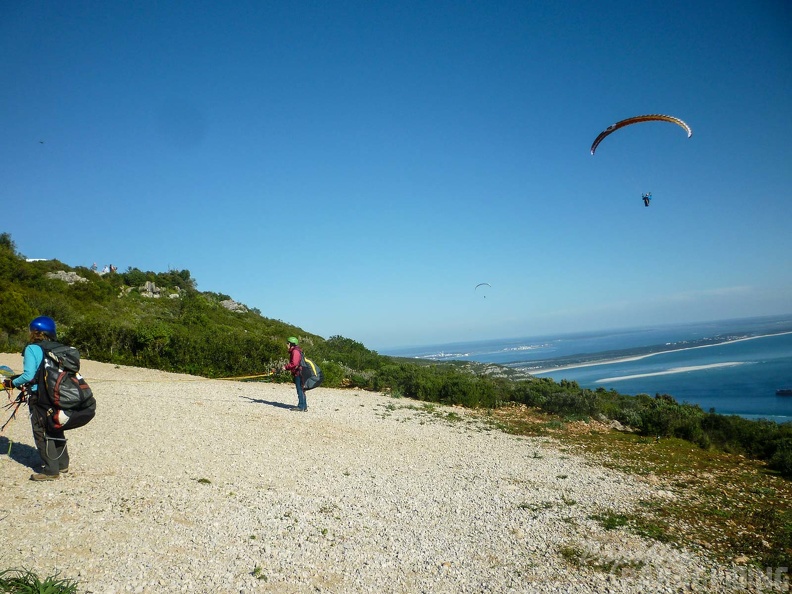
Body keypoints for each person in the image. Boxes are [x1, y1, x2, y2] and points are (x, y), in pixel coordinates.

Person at [4, 316, 70, 480]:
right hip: (59, 394)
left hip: (40, 396)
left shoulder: (32, 349)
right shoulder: (58, 347)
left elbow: (28, 376)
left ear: (35, 332)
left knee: (41, 430)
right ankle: (62, 464)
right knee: (56, 426)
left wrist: (12, 383)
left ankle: (50, 470)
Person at [283, 337, 307, 412]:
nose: (287, 345)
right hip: (301, 372)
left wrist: (286, 367)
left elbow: (294, 363)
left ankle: (301, 407)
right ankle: (304, 406)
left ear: (291, 344)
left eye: (288, 343)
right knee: (302, 389)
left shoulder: (295, 351)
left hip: (299, 373)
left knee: (300, 389)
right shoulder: (297, 350)